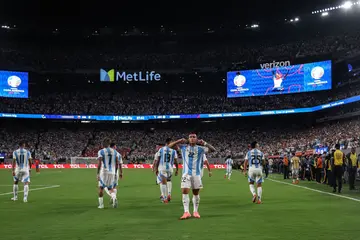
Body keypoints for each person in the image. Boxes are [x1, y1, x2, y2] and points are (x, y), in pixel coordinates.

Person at [168, 133, 216, 220]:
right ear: (188, 139)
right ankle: (186, 212)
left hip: (196, 174)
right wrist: (179, 140)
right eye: (190, 137)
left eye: (194, 137)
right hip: (186, 174)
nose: (192, 138)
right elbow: (170, 146)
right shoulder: (183, 147)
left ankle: (195, 211)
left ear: (197, 139)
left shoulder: (201, 149)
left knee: (195, 193)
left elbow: (213, 149)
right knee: (185, 191)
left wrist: (204, 143)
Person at [153, 138, 179, 203]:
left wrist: (156, 169)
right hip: (170, 169)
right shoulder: (174, 151)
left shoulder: (161, 149)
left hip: (162, 168)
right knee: (169, 180)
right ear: (169, 143)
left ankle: (164, 198)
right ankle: (169, 194)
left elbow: (158, 160)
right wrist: (177, 170)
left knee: (163, 183)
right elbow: (176, 162)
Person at [97, 139, 119, 209]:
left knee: (101, 188)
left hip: (104, 172)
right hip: (112, 172)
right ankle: (114, 197)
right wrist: (115, 172)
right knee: (110, 188)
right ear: (109, 144)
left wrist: (97, 173)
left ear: (103, 144)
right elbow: (117, 163)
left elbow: (99, 163)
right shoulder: (115, 152)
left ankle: (101, 205)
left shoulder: (101, 151)